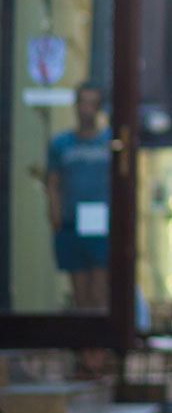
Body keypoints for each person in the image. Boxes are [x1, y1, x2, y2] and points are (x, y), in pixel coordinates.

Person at [46, 82, 111, 311]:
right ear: (76, 106)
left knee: (99, 291)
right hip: (71, 222)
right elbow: (52, 182)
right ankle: (85, 345)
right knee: (80, 293)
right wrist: (53, 213)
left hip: (101, 223)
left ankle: (98, 346)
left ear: (99, 107)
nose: (86, 110)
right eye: (82, 103)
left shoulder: (110, 142)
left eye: (92, 104)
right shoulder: (60, 143)